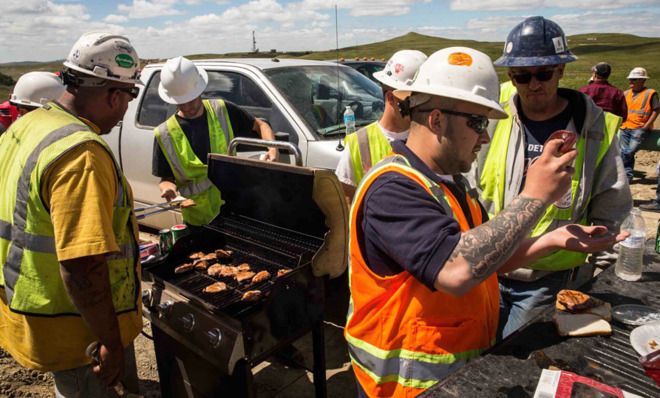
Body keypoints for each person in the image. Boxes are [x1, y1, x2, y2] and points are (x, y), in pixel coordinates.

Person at [344, 46, 626, 397]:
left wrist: (554, 241)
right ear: (435, 119)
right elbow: (456, 270)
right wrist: (535, 196)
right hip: (404, 387)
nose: (486, 136)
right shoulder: (392, 189)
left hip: (451, 379)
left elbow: (486, 258)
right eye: (478, 122)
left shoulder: (448, 184)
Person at [0, 32, 143, 397]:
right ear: (114, 95)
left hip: (30, 307)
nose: (126, 109)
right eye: (129, 97)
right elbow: (82, 265)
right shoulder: (81, 154)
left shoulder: (26, 126)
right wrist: (109, 341)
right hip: (77, 331)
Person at [475, 16, 632, 339]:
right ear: (510, 75)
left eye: (544, 73)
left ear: (560, 70)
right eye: (522, 76)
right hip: (484, 273)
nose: (533, 84)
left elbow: (611, 208)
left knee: (517, 358)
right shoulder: (492, 116)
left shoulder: (595, 128)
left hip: (548, 281)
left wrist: (596, 277)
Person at [152, 56, 278, 226]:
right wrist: (167, 188)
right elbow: (166, 178)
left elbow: (261, 125)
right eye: (181, 103)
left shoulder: (222, 110)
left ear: (200, 91)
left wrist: (272, 150)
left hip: (234, 209)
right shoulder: (164, 133)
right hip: (198, 218)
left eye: (191, 100)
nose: (187, 107)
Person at [335, 49, 427, 201]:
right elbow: (346, 201)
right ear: (391, 98)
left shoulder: (428, 139)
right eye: (415, 100)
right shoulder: (359, 143)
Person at [619, 67, 659, 184]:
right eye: (630, 79)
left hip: (640, 128)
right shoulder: (626, 93)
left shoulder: (651, 93)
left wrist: (647, 125)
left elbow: (656, 110)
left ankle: (626, 175)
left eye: (634, 79)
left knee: (628, 152)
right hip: (625, 127)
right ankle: (627, 177)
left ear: (642, 81)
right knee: (625, 152)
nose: (630, 81)